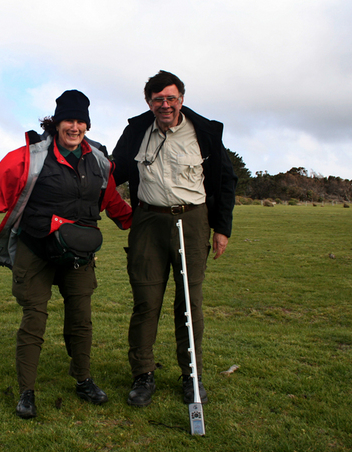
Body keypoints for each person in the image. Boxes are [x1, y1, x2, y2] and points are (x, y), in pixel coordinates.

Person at [0, 90, 133, 419]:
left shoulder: (98, 161)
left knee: (81, 318)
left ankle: (83, 380)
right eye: (69, 119)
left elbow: (112, 203)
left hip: (78, 253)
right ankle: (27, 391)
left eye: (81, 121)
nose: (75, 127)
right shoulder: (27, 157)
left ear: (87, 125)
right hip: (35, 248)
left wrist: (139, 223)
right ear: (56, 122)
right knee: (34, 318)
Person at [111, 71, 237, 407]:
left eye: (171, 98)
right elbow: (112, 172)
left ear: (181, 98)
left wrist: (221, 228)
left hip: (193, 221)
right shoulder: (136, 131)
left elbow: (226, 180)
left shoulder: (204, 132)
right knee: (146, 302)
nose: (165, 105)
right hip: (148, 222)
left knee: (189, 303)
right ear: (148, 101)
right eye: (158, 99)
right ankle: (143, 375)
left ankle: (191, 376)